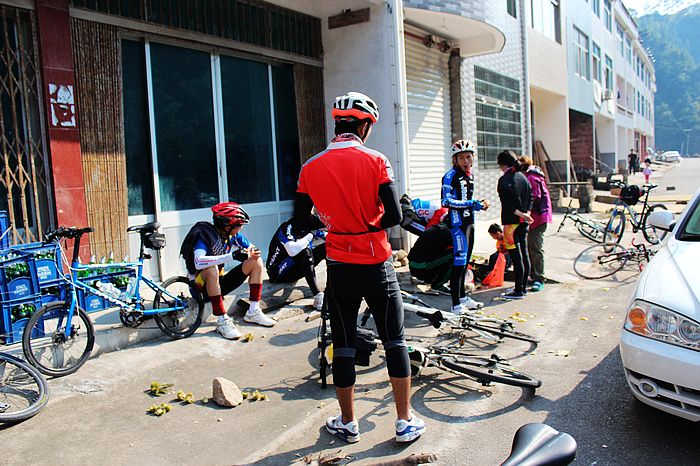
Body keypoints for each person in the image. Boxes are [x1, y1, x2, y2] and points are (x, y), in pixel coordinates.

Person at [293, 91, 425, 444]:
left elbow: (300, 222)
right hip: (377, 263)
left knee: (344, 344)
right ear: (365, 126)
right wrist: (367, 222)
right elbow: (394, 216)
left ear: (338, 124)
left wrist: (331, 223)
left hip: (340, 265)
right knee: (394, 341)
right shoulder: (377, 160)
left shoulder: (310, 166)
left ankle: (348, 422)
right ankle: (404, 421)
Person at [180, 202, 276, 340]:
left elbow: (252, 248)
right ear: (227, 226)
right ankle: (222, 321)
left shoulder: (231, 235)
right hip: (199, 287)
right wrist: (232, 256)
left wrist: (251, 252)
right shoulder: (204, 236)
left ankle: (253, 311)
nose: (241, 228)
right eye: (239, 225)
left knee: (256, 261)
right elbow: (198, 262)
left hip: (219, 283)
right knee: (211, 268)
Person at [441, 139, 489, 312]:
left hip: (470, 223)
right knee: (459, 264)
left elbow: (467, 201)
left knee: (466, 262)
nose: (465, 161)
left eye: (468, 157)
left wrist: (478, 204)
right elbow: (446, 201)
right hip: (457, 225)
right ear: (455, 159)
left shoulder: (470, 176)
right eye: (461, 158)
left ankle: (463, 298)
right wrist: (470, 203)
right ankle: (455, 304)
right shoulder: (450, 176)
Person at [266, 216, 327, 310]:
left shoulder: (309, 226)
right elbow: (292, 250)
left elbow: (327, 236)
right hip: (277, 271)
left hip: (293, 268)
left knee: (327, 247)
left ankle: (332, 288)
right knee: (305, 252)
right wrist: (310, 236)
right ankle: (317, 296)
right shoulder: (288, 227)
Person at [496, 150, 533, 300]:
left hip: (511, 225)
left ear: (501, 165)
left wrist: (521, 214)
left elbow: (507, 204)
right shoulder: (523, 177)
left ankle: (518, 291)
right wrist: (527, 214)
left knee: (516, 258)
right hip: (524, 222)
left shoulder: (504, 181)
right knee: (524, 254)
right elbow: (531, 197)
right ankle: (522, 288)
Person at [519, 156, 552, 292]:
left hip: (538, 218)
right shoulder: (532, 175)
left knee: (536, 248)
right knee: (531, 248)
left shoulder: (531, 178)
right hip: (535, 217)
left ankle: (539, 278)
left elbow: (535, 197)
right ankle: (534, 275)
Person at [407, 221, 453, 291]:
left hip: (414, 266)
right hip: (421, 268)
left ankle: (430, 279)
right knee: (454, 255)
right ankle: (438, 285)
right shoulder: (447, 233)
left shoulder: (436, 228)